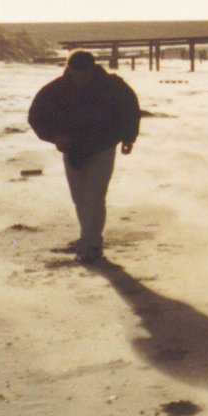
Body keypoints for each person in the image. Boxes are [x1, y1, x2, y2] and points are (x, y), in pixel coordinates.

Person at [27, 50, 141, 263]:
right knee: (80, 200)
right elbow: (36, 116)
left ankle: (90, 245)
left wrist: (128, 138)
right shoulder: (56, 89)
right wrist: (54, 137)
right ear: (69, 70)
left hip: (103, 146)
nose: (80, 79)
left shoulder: (112, 86)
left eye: (84, 74)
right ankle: (90, 238)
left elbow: (130, 109)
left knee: (95, 197)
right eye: (75, 74)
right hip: (73, 148)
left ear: (92, 70)